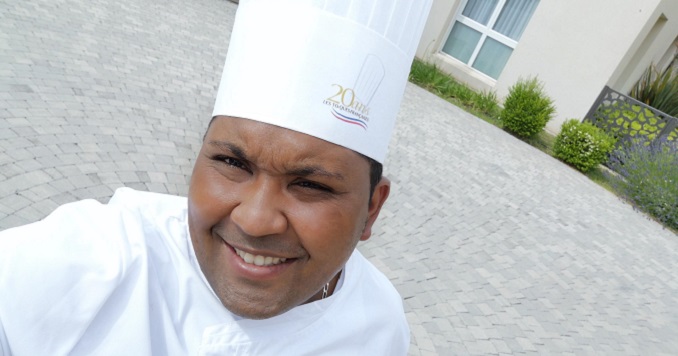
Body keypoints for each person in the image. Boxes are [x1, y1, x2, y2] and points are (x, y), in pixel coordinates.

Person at [0, 0, 431, 354]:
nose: (255, 221)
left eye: (311, 185)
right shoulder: (102, 258)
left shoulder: (379, 326)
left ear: (372, 208)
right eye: (232, 163)